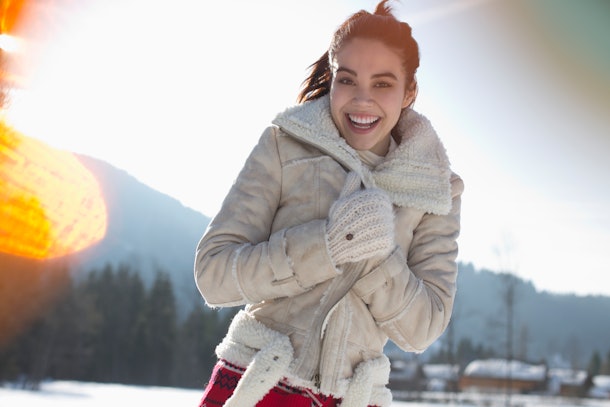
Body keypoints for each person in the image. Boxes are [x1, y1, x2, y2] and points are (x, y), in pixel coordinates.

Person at [194, 1, 464, 406]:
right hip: (258, 382)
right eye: (348, 80)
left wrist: (373, 256)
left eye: (383, 84)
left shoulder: (437, 190)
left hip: (354, 397)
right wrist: (327, 245)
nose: (361, 101)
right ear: (332, 76)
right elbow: (213, 274)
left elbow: (422, 328)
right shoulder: (284, 145)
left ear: (410, 91)